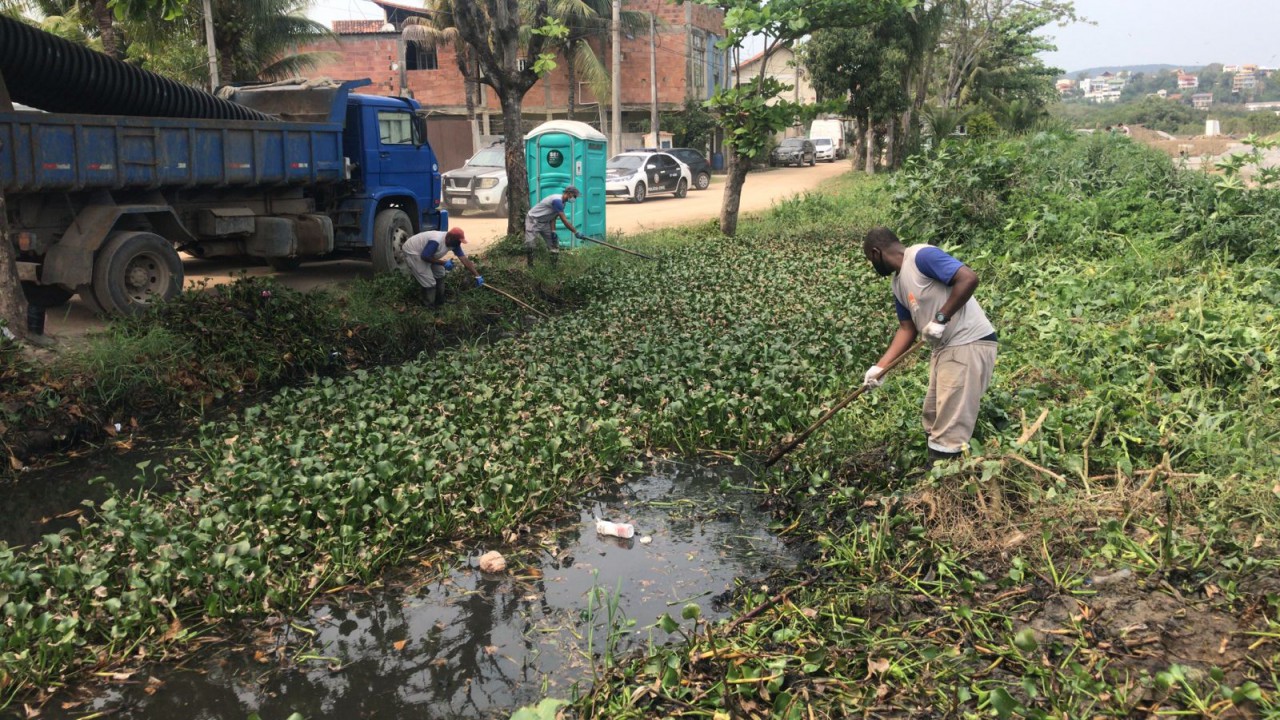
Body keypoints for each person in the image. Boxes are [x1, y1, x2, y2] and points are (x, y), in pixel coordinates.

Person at [861, 227, 998, 466]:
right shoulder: (898, 283)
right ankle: (939, 473)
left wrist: (941, 318)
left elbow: (968, 278)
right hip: (945, 349)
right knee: (933, 417)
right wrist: (880, 368)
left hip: (968, 343)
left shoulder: (921, 256)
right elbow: (907, 329)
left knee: (950, 428)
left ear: (876, 252)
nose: (873, 268)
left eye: (871, 261)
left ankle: (945, 489)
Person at [401, 226, 483, 307]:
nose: (459, 244)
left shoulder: (454, 243)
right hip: (413, 251)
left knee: (440, 273)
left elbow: (464, 259)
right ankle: (428, 305)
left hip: (426, 253)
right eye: (458, 241)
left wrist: (477, 275)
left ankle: (439, 301)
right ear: (450, 238)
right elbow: (425, 256)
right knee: (429, 281)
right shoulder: (436, 240)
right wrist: (443, 263)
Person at [525, 185, 587, 267]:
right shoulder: (557, 201)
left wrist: (553, 231)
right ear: (569, 193)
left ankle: (553, 267)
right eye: (574, 196)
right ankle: (530, 266)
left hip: (545, 222)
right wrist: (575, 232)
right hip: (533, 220)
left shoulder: (563, 203)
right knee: (530, 243)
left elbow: (553, 218)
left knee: (554, 243)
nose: (575, 198)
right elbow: (564, 221)